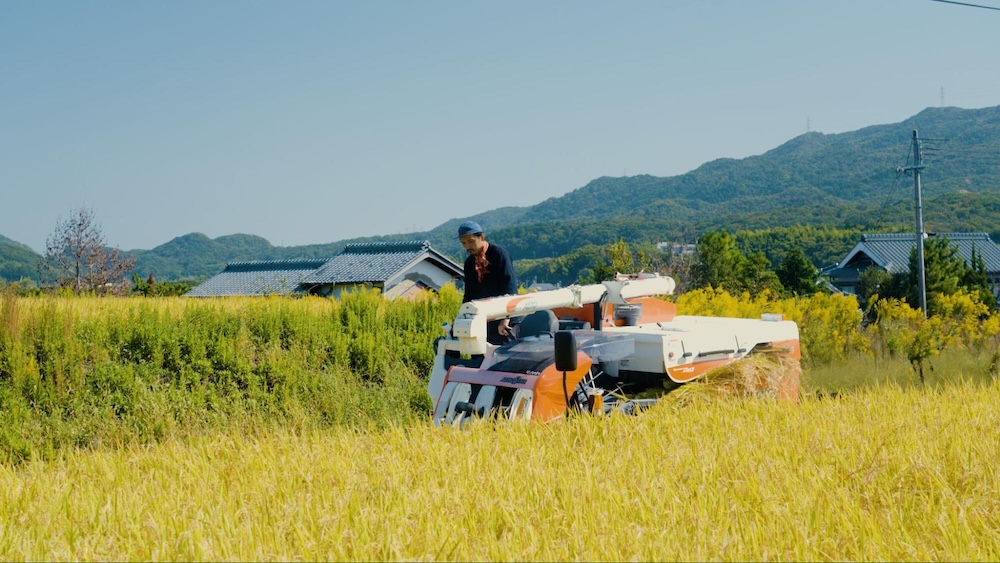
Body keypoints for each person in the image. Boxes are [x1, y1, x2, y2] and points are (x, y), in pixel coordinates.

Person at [457, 220, 520, 345]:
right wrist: (462, 319)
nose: (468, 246)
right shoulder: (470, 263)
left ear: (482, 237)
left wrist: (506, 318)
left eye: (471, 241)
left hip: (504, 317)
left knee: (503, 359)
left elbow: (510, 288)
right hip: (483, 319)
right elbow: (469, 294)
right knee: (480, 359)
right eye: (464, 243)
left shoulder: (499, 255)